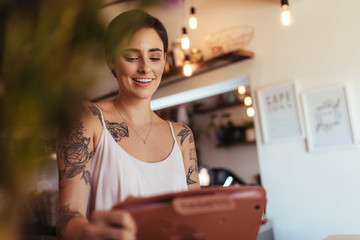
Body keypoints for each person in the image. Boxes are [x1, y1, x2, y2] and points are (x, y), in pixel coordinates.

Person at [56, 9, 200, 240]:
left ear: (164, 59)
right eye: (132, 57)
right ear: (110, 59)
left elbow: (197, 217)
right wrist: (88, 232)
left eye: (154, 57)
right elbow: (66, 217)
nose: (145, 67)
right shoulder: (88, 119)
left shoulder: (182, 136)